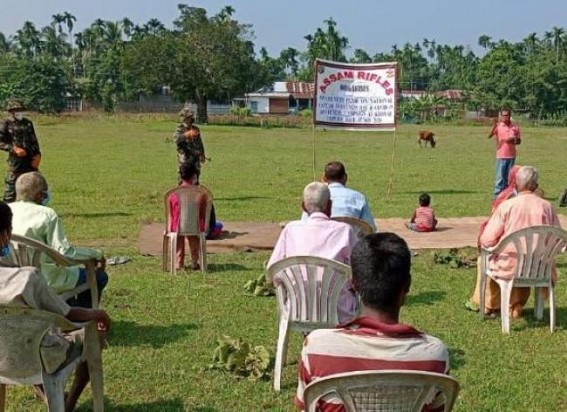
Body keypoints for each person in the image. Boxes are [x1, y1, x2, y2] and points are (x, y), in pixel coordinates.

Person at [294, 233, 450, 411]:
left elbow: (305, 407)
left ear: (354, 284)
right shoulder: (435, 355)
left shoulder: (317, 347)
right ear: (407, 285)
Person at [0, 201, 111, 412]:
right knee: (91, 336)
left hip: (3, 354)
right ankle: (67, 404)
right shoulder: (27, 278)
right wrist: (100, 314)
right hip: (37, 358)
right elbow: (69, 316)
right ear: (6, 235)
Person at [470, 166, 561, 318]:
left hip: (509, 267)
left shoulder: (507, 206)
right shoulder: (547, 207)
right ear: (536, 186)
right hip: (539, 268)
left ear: (516, 184)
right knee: (528, 258)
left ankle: (488, 305)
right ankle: (516, 305)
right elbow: (558, 238)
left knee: (483, 260)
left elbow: (487, 239)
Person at [9, 172, 108, 308]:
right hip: (44, 280)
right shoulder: (47, 214)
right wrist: (97, 254)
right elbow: (64, 252)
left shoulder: (6, 210)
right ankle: (83, 315)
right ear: (39, 195)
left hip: (12, 278)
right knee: (100, 277)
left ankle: (65, 307)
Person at [268, 182, 357, 323]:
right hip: (339, 312)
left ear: (303, 206)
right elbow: (358, 274)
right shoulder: (345, 231)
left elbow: (273, 272)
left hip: (297, 311)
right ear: (329, 205)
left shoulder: (290, 230)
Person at [169, 162, 218, 271]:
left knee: (179, 235)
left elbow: (172, 212)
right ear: (194, 176)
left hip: (177, 227)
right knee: (193, 236)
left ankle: (178, 262)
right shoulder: (201, 193)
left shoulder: (173, 194)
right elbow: (204, 212)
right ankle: (195, 261)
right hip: (196, 227)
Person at [301, 161, 376, 231]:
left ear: (324, 178)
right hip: (352, 243)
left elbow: (305, 224)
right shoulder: (359, 198)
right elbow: (370, 227)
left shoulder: (317, 197)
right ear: (345, 177)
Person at [0, 100, 42, 202]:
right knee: (11, 189)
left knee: (36, 185)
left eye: (21, 109)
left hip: (31, 161)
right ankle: (6, 211)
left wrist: (38, 155)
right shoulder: (5, 123)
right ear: (11, 111)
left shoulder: (28, 123)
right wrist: (13, 149)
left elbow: (34, 141)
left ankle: (35, 208)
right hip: (17, 161)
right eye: (17, 110)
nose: (19, 112)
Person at [488, 109, 521, 199]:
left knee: (509, 177)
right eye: (503, 115)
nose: (505, 117)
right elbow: (489, 136)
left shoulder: (514, 127)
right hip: (501, 155)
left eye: (507, 115)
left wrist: (513, 140)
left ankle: (508, 194)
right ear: (501, 116)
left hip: (511, 155)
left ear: (510, 116)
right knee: (500, 177)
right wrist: (494, 125)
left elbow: (519, 141)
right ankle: (497, 196)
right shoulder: (499, 126)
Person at [175, 105, 206, 183]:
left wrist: (202, 154)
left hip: (195, 156)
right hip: (185, 156)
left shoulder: (195, 128)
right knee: (183, 175)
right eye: (187, 117)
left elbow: (199, 142)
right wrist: (186, 135)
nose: (189, 119)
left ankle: (194, 191)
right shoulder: (180, 128)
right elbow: (177, 140)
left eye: (190, 117)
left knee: (196, 174)